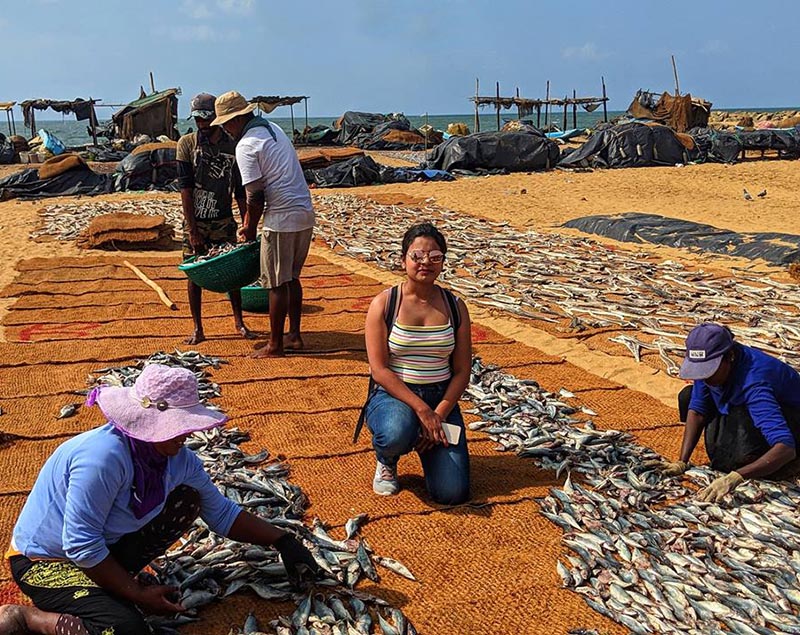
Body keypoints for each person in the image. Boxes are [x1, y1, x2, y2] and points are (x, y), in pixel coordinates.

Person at [0, 364, 319, 635]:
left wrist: (283, 541)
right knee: (126, 629)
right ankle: (28, 618)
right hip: (46, 561)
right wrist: (138, 594)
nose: (187, 434)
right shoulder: (103, 458)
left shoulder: (179, 459)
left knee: (187, 500)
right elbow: (81, 544)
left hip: (102, 550)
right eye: (180, 426)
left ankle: (110, 586)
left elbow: (221, 513)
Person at [361, 223, 471, 505]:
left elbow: (462, 371)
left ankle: (426, 443)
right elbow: (379, 370)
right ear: (403, 260)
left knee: (452, 493)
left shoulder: (456, 306)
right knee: (396, 431)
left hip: (440, 397)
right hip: (394, 395)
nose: (426, 263)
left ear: (443, 262)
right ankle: (387, 458)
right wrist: (422, 411)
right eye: (417, 256)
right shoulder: (385, 303)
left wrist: (439, 414)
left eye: (435, 257)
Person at [211, 91, 315, 358]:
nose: (225, 130)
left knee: (276, 283)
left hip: (281, 218)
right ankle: (294, 335)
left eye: (225, 124)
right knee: (292, 277)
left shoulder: (246, 145)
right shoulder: (273, 129)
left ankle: (275, 345)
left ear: (235, 120)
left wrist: (249, 227)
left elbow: (255, 196)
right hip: (304, 213)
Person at [648, 322, 800, 502]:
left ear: (730, 356)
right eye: (700, 370)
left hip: (789, 420)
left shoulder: (755, 382)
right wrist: (682, 462)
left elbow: (785, 447)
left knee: (733, 459)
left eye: (709, 370)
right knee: (687, 396)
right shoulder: (712, 366)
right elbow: (697, 410)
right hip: (742, 404)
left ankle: (785, 465)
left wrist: (735, 477)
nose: (704, 377)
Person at [177, 92, 253, 345]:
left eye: (206, 119)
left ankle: (239, 322)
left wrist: (247, 224)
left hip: (223, 220)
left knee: (234, 273)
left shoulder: (233, 145)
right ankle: (198, 328)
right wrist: (192, 230)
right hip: (196, 221)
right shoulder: (187, 144)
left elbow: (240, 190)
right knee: (193, 274)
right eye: (197, 119)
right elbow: (186, 189)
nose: (202, 124)